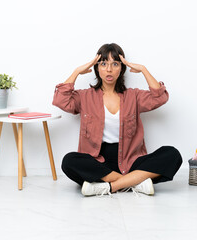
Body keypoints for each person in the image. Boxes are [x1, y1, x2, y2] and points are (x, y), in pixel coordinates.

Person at [52, 43, 182, 196]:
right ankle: (134, 183)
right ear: (96, 68)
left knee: (172, 154)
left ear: (121, 68)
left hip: (130, 160)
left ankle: (108, 187)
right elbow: (60, 100)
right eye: (103, 63)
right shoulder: (85, 96)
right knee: (69, 161)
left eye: (115, 64)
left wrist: (143, 70)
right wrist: (76, 72)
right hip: (98, 161)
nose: (109, 69)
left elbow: (159, 97)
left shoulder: (134, 96)